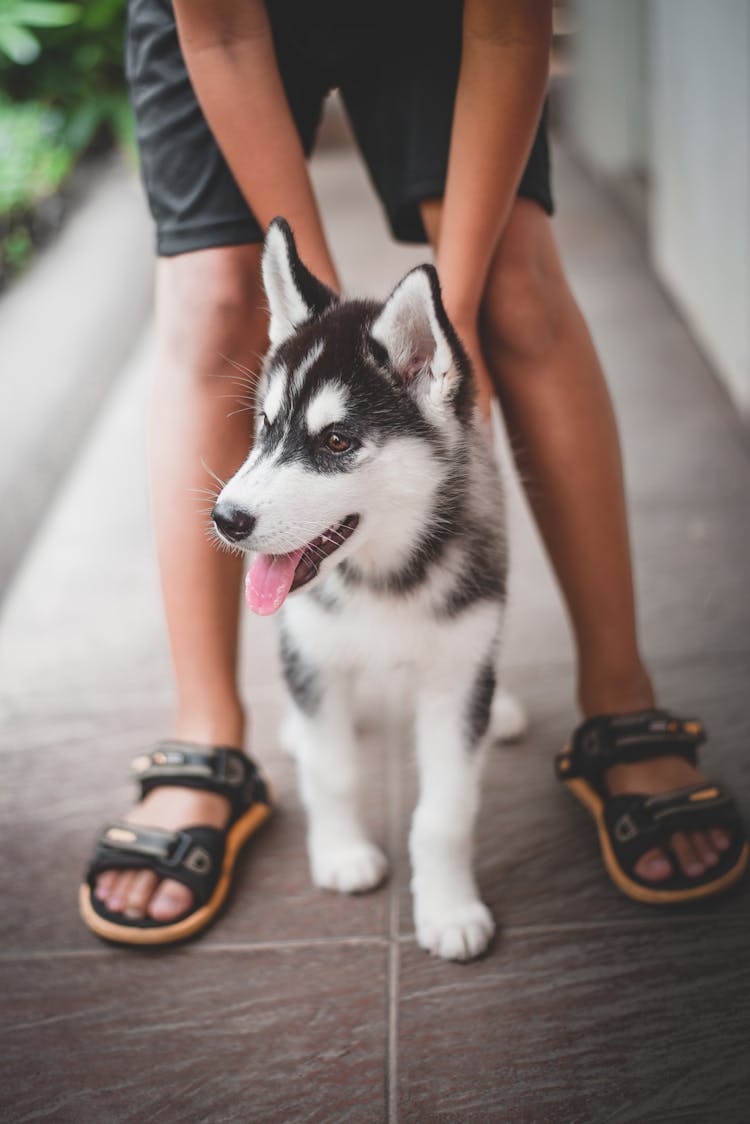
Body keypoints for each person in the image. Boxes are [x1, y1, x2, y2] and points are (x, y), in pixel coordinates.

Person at [80, 0, 747, 944]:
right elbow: (222, 31)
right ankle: (205, 729)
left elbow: (513, 27)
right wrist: (317, 325)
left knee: (515, 289)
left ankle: (619, 696)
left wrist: (456, 317)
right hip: (228, 23)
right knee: (212, 291)